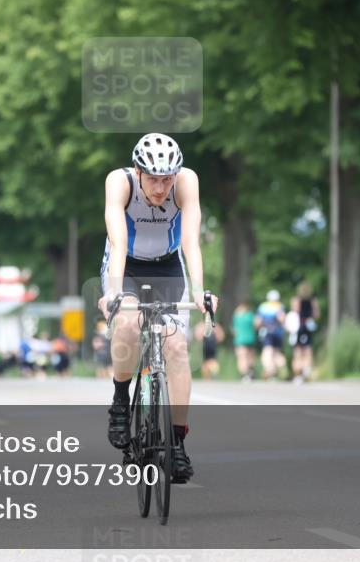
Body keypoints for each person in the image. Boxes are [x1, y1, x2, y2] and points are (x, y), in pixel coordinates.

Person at [98, 133, 216, 484]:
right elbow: (118, 243)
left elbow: (191, 242)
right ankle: (121, 401)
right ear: (137, 172)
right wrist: (115, 294)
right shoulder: (119, 182)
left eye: (167, 179)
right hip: (127, 266)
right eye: (153, 178)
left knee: (177, 347)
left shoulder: (186, 181)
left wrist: (199, 291)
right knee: (129, 324)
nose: (162, 187)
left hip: (168, 266)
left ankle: (177, 442)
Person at [290, 281, 320, 384]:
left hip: (300, 327)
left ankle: (299, 373)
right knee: (308, 349)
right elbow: (316, 315)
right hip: (309, 326)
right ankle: (306, 369)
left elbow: (295, 311)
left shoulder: (296, 300)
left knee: (298, 351)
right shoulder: (313, 300)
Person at [256, 290, 287, 381]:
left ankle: (271, 371)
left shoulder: (263, 307)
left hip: (267, 332)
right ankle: (282, 367)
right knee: (277, 352)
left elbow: (258, 321)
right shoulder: (280, 306)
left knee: (267, 353)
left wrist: (257, 328)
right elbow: (282, 319)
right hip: (278, 333)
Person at [232, 302, 258, 382]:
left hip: (240, 340)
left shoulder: (236, 317)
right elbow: (256, 325)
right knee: (250, 357)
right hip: (250, 338)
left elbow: (235, 331)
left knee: (242, 358)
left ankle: (245, 375)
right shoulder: (250, 316)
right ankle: (251, 371)